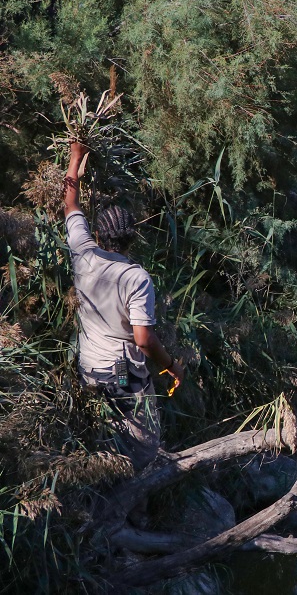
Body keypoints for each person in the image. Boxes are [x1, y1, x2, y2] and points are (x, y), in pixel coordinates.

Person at [63, 139, 185, 469]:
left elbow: (70, 205)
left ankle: (104, 490)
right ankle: (130, 502)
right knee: (142, 445)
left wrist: (75, 157)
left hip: (89, 368)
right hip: (124, 376)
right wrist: (170, 366)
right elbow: (143, 339)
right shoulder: (136, 278)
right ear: (132, 237)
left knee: (105, 436)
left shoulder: (82, 255)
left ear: (99, 234)